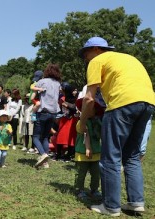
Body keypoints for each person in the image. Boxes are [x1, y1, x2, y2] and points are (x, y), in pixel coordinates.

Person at [78, 36, 155, 216]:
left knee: (110, 156)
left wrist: (82, 123)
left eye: (85, 54)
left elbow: (89, 98)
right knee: (132, 156)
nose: (85, 58)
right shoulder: (128, 58)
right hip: (148, 103)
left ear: (96, 49)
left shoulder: (97, 60)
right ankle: (136, 202)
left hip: (121, 103)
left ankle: (111, 206)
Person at [74, 85, 105, 200]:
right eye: (86, 107)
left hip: (96, 152)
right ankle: (79, 189)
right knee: (81, 173)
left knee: (96, 174)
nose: (88, 109)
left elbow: (101, 135)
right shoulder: (81, 123)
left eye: (91, 108)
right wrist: (87, 148)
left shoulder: (97, 122)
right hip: (83, 153)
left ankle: (94, 190)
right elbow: (85, 134)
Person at [32, 64, 61, 168]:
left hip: (43, 111)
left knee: (35, 137)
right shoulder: (58, 83)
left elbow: (32, 89)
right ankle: (46, 163)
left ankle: (43, 155)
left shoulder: (42, 81)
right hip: (53, 113)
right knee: (45, 137)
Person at [56, 82, 78, 162]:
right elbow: (61, 108)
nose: (74, 92)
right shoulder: (63, 99)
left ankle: (68, 155)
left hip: (72, 120)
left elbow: (75, 109)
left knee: (71, 138)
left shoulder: (75, 99)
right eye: (72, 90)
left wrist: (68, 105)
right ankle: (58, 155)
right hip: (64, 120)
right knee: (61, 137)